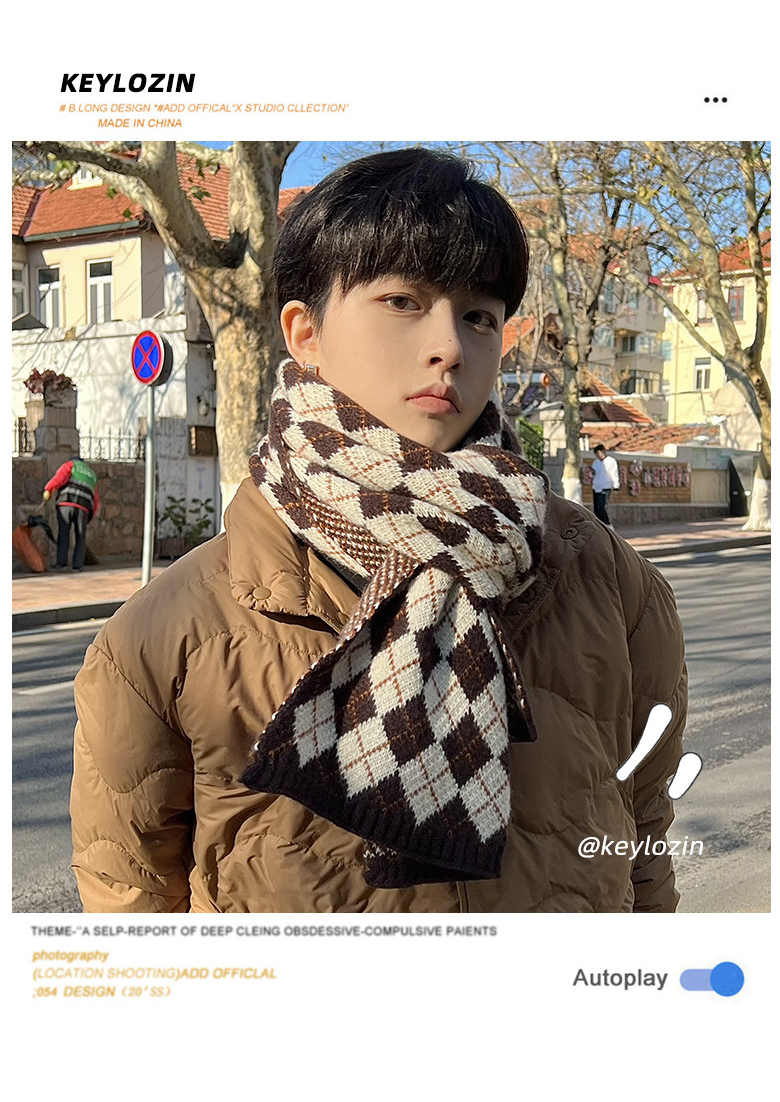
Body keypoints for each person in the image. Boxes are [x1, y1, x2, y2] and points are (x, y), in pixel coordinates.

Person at [71, 148, 687, 914]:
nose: (450, 346)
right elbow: (131, 899)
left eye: (479, 316)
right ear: (305, 333)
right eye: (402, 301)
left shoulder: (611, 584)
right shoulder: (167, 635)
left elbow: (643, 833)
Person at [43, 455, 99, 571]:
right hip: (83, 508)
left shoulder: (71, 465)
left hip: (66, 503)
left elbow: (60, 478)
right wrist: (90, 515)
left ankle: (61, 564)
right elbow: (96, 498)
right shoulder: (92, 474)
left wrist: (48, 489)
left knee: (64, 534)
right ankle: (77, 566)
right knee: (80, 537)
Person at [591, 443, 620, 525]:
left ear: (603, 451)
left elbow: (614, 474)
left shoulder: (611, 461)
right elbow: (593, 474)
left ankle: (607, 525)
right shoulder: (595, 463)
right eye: (596, 454)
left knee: (602, 507)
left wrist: (616, 487)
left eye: (598, 453)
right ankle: (600, 525)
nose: (597, 455)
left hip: (605, 486)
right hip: (596, 487)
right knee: (596, 509)